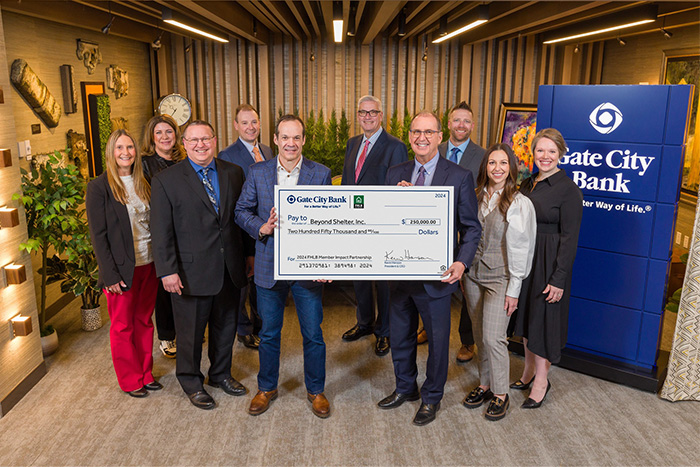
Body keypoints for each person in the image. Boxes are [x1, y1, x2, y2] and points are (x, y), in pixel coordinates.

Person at [378, 112, 481, 426]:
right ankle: (405, 387)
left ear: (440, 136)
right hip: (399, 273)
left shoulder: (459, 176)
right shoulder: (395, 173)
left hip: (437, 278)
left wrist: (462, 262)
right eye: (416, 132)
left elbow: (472, 228)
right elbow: (381, 219)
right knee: (400, 335)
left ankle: (432, 397)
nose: (421, 138)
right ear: (409, 136)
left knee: (437, 341)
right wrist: (395, 201)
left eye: (428, 132)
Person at [150, 120, 253, 410]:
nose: (200, 145)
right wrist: (167, 270)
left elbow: (239, 219)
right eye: (193, 140)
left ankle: (220, 374)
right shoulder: (166, 180)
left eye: (205, 139)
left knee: (225, 327)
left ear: (215, 140)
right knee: (191, 334)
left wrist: (249, 255)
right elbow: (161, 230)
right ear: (184, 143)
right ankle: (191, 381)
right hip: (188, 272)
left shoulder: (233, 173)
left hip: (229, 268)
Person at [235, 115, 333, 419]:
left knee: (313, 334)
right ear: (275, 139)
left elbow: (331, 222)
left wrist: (327, 260)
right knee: (269, 334)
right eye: (285, 137)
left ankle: (316, 390)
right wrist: (262, 227)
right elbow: (241, 211)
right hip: (269, 265)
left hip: (307, 268)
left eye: (296, 138)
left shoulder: (320, 173)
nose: (291, 143)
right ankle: (266, 387)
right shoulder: (258, 172)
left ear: (304, 140)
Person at [462, 143, 536, 421]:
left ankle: (501, 393)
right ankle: (484, 383)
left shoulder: (520, 203)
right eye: (492, 163)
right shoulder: (475, 196)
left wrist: (514, 289)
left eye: (503, 163)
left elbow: (523, 248)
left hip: (500, 278)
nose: (497, 168)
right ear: (485, 167)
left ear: (511, 167)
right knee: (481, 334)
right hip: (473, 275)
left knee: (494, 338)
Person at [511, 128, 583, 409]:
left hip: (549, 261)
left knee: (543, 322)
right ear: (533, 153)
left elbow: (570, 238)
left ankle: (542, 380)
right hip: (526, 257)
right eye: (540, 150)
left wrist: (559, 278)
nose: (545, 156)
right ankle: (528, 372)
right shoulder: (527, 184)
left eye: (551, 151)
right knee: (529, 319)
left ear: (561, 154)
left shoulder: (568, 190)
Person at [86, 129, 160, 398]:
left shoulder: (145, 182)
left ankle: (146, 373)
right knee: (122, 325)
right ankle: (130, 379)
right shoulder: (99, 187)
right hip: (120, 270)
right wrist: (109, 275)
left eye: (130, 147)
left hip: (149, 263)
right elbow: (98, 235)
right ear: (111, 152)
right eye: (120, 148)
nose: (126, 153)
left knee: (144, 321)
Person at [340, 95, 408, 356]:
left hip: (382, 224)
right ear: (358, 116)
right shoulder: (352, 143)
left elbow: (397, 189)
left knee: (383, 281)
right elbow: (349, 183)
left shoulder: (395, 146)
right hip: (355, 221)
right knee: (359, 276)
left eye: (372, 113)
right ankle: (365, 322)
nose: (367, 117)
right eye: (363, 112)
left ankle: (384, 331)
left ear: (381, 116)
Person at [218, 104, 274, 350]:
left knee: (260, 284)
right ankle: (243, 329)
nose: (250, 127)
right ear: (235, 125)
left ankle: (259, 326)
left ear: (259, 123)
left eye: (254, 122)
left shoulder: (268, 150)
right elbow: (229, 201)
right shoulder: (226, 155)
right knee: (242, 285)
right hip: (242, 230)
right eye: (245, 123)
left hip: (267, 229)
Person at [437, 101, 486, 363]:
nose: (461, 126)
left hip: (467, 228)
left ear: (473, 125)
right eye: (457, 120)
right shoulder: (436, 149)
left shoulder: (483, 155)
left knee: (468, 287)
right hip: (435, 229)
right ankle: (426, 328)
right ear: (448, 124)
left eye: (466, 121)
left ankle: (467, 341)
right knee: (432, 281)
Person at [140, 114, 185, 359]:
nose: (165, 137)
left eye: (169, 132)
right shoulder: (145, 164)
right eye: (159, 133)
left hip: (185, 231)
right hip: (162, 229)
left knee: (184, 282)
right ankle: (167, 335)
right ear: (152, 137)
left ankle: (185, 328)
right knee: (164, 286)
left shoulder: (184, 159)